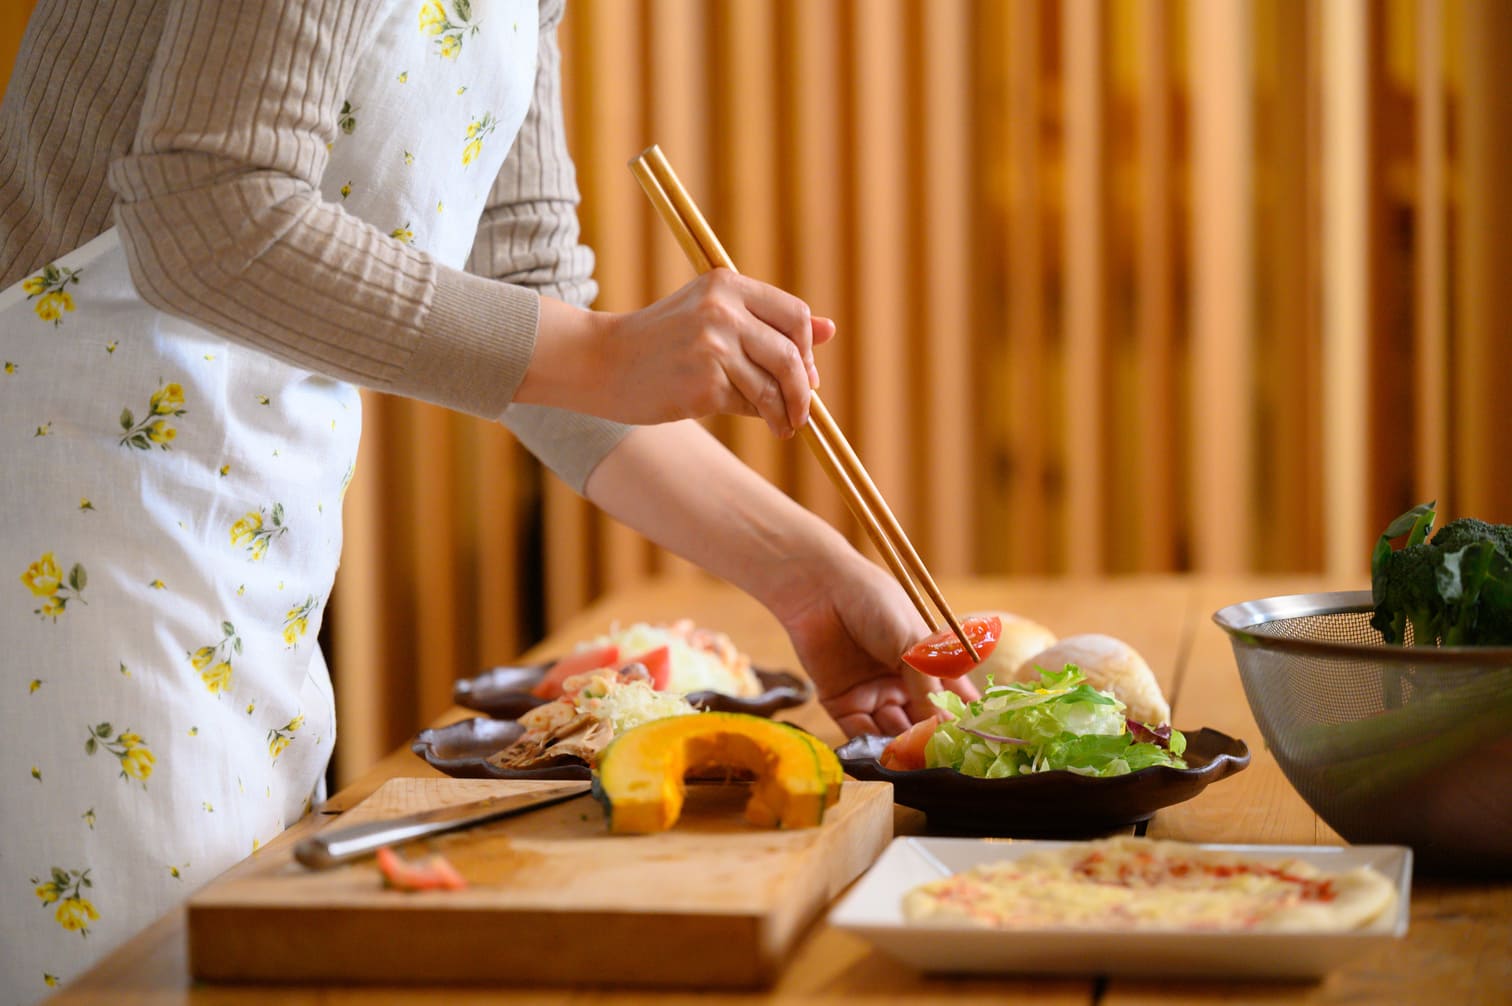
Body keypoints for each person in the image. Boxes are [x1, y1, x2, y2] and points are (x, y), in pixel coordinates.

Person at [0, 1, 973, 1000]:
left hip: (256, 555)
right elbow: (204, 211)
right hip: (68, 522)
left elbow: (529, 290)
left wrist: (818, 577)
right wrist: (605, 350)